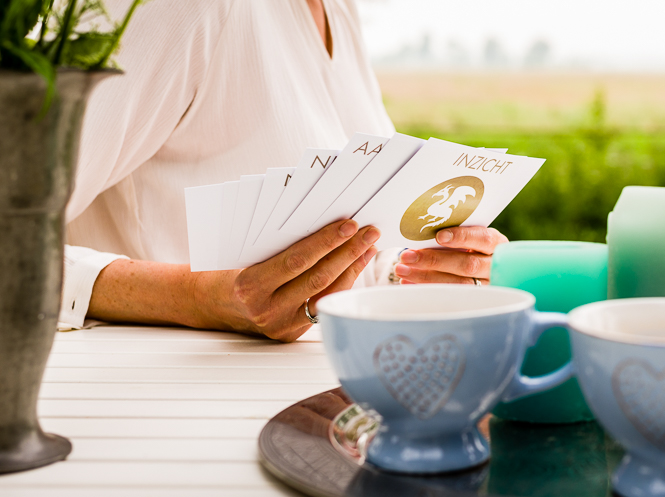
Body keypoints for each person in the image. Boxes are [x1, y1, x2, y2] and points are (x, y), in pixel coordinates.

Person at [60, 0, 507, 342]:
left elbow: (350, 241)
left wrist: (419, 272)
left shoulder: (335, 10)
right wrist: (196, 297)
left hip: (315, 400)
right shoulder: (174, 10)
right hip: (163, 408)